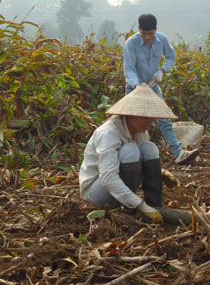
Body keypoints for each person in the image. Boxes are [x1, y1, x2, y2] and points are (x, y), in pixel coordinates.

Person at [79, 84, 180, 224]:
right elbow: (108, 177)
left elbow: (140, 161)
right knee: (130, 150)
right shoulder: (108, 133)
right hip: (96, 196)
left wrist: (161, 173)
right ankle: (131, 208)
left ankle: (155, 206)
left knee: (149, 148)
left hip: (118, 191)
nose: (149, 122)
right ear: (130, 114)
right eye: (144, 117)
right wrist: (140, 205)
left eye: (152, 118)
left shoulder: (140, 133)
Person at [123, 14, 199, 165]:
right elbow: (129, 69)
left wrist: (162, 70)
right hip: (134, 88)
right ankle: (129, 157)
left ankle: (178, 154)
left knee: (164, 119)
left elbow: (171, 57)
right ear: (139, 30)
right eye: (144, 33)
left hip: (152, 86)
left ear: (155, 30)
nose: (147, 37)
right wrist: (137, 85)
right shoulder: (131, 43)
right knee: (129, 123)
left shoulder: (162, 40)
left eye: (150, 33)